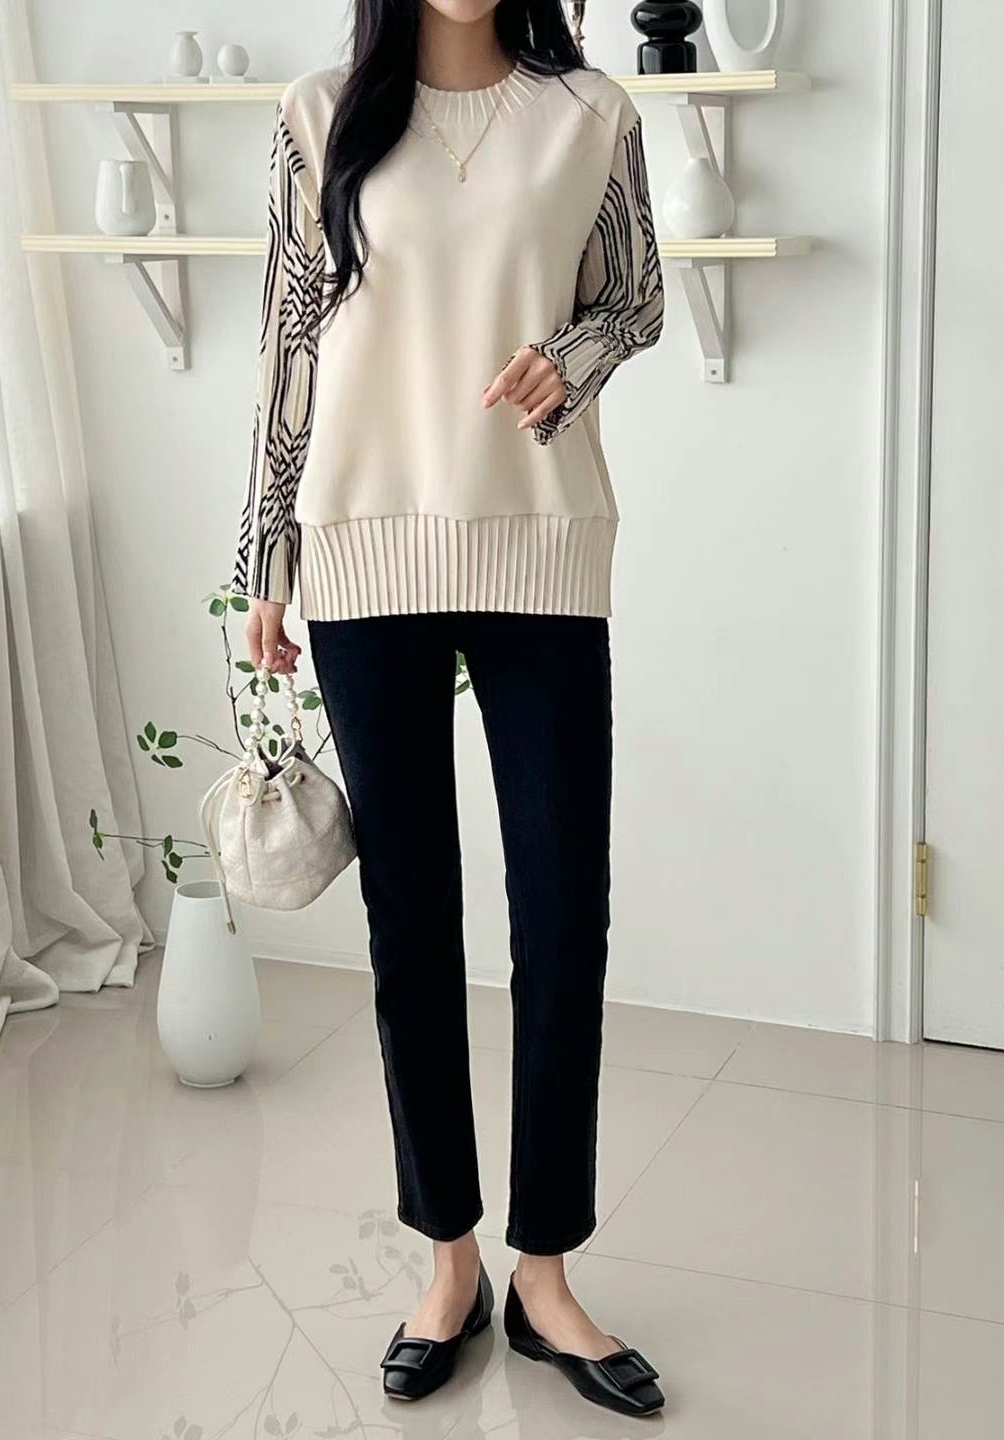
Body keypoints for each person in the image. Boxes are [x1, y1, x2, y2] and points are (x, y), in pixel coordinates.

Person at [235, 0, 665, 1416]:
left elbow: (638, 298)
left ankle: (545, 1272)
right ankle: (449, 1262)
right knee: (410, 920)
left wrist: (572, 360)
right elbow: (288, 348)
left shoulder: (592, 116)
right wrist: (264, 564)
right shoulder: (319, 116)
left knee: (562, 916)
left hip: (541, 547)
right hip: (364, 554)